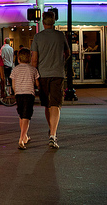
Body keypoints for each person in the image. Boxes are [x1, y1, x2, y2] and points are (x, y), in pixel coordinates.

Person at [30, 11, 70, 149]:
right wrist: (60, 62)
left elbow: (34, 60)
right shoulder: (60, 36)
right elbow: (68, 53)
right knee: (56, 104)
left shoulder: (37, 37)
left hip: (42, 75)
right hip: (58, 73)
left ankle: (51, 130)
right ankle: (53, 134)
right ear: (54, 22)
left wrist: (33, 77)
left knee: (47, 104)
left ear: (42, 22)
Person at [10, 48, 40, 150]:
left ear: (18, 59)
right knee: (26, 116)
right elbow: (37, 83)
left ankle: (25, 136)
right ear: (30, 58)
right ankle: (21, 139)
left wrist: (15, 92)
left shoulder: (15, 69)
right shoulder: (33, 69)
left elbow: (13, 84)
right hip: (29, 94)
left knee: (21, 115)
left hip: (19, 94)